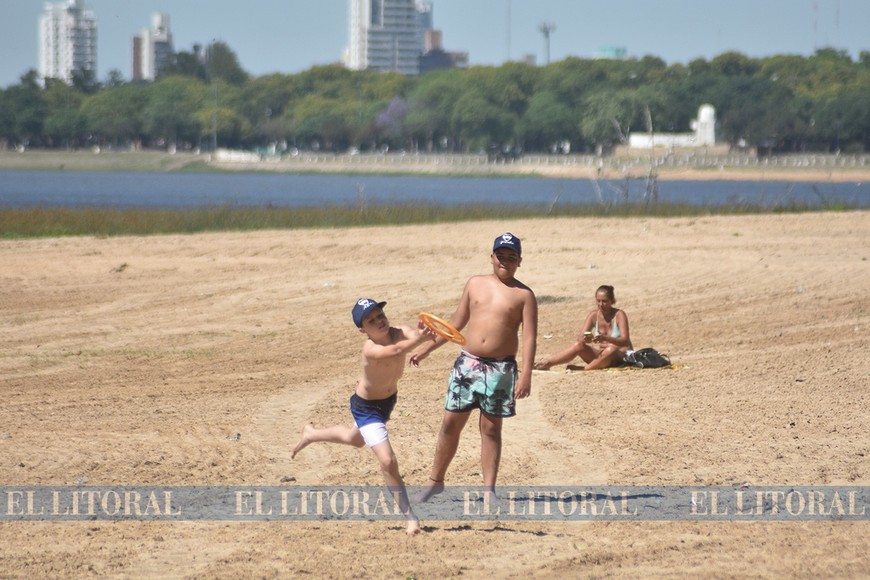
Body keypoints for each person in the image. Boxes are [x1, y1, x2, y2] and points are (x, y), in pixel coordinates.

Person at [410, 232, 538, 502]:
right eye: (500, 256)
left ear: (519, 261)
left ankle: (489, 490)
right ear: (491, 257)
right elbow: (454, 324)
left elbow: (529, 337)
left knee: (491, 429)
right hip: (467, 364)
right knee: (449, 424)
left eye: (511, 257)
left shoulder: (525, 295)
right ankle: (435, 481)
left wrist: (526, 375)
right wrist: (426, 349)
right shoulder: (475, 284)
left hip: (501, 369)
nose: (505, 261)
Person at [291, 297, 435, 535]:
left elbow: (417, 337)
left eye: (380, 315)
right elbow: (397, 350)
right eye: (371, 320)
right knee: (387, 461)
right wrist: (420, 338)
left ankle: (312, 433)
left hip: (388, 402)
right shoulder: (370, 349)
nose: (379, 321)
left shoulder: (401, 331)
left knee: (355, 439)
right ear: (362, 330)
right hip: (366, 407)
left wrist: (428, 333)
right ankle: (411, 518)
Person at [534, 284, 633, 371]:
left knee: (611, 349)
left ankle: (585, 368)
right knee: (579, 345)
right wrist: (587, 339)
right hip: (602, 356)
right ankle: (548, 363)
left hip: (620, 356)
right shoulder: (594, 315)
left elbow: (625, 341)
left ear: (612, 301)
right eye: (598, 301)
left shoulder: (619, 315)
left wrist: (605, 338)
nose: (601, 305)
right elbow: (580, 338)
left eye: (604, 301)